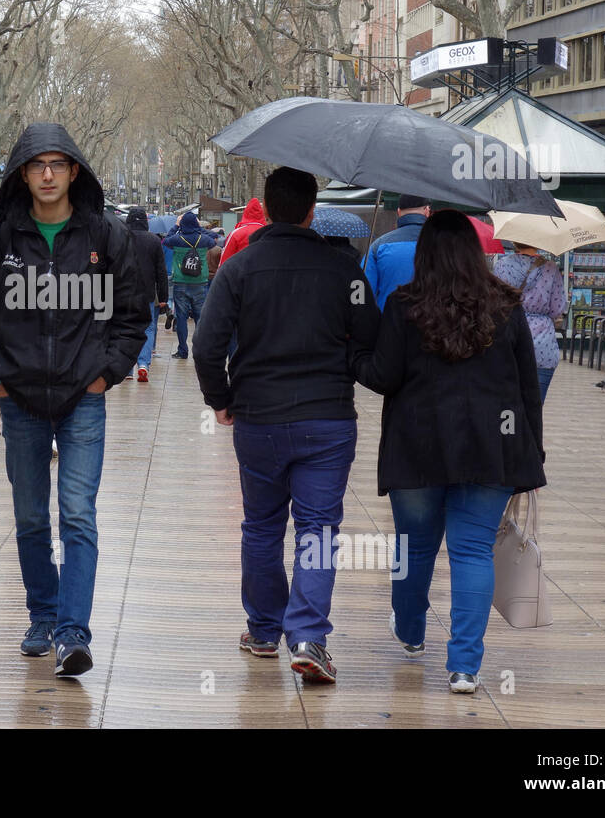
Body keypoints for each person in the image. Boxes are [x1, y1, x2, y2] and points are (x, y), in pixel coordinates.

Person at [0, 122, 146, 677]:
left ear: (73, 172)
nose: (47, 174)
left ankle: (72, 634)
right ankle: (43, 614)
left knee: (79, 517)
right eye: (37, 165)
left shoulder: (105, 236)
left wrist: (105, 374)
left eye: (57, 164)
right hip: (18, 401)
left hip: (83, 399)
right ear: (22, 173)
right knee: (31, 517)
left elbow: (133, 314)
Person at [194, 167, 380, 685]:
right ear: (311, 212)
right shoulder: (346, 273)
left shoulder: (239, 268)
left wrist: (221, 400)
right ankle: (309, 637)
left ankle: (262, 630)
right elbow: (371, 338)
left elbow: (206, 346)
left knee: (261, 526)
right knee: (318, 530)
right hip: (328, 420)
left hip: (258, 419)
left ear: (268, 210)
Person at [351, 210, 546, 695]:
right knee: (472, 551)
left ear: (426, 254)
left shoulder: (404, 305)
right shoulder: (506, 306)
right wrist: (532, 454)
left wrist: (353, 353)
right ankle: (464, 667)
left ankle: (412, 631)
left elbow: (382, 376)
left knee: (412, 548)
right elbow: (527, 389)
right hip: (492, 448)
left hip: (417, 447)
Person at [494, 242, 567, 401]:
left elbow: (494, 302)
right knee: (534, 408)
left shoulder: (501, 266)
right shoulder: (551, 268)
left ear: (514, 242)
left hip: (509, 339)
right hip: (542, 347)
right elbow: (557, 308)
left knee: (506, 407)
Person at [163, 211, 216, 359]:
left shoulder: (178, 239)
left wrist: (176, 226)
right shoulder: (204, 240)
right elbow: (214, 239)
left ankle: (182, 350)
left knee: (181, 317)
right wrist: (199, 228)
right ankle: (201, 350)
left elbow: (166, 240)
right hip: (200, 283)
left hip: (181, 282)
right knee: (200, 318)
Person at [363, 194, 430, 310]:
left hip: (388, 322)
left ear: (398, 212)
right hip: (433, 323)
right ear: (427, 211)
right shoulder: (443, 246)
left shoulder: (378, 246)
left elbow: (363, 292)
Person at [126, 208, 168, 382]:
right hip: (148, 293)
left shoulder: (121, 238)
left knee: (126, 328)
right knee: (148, 328)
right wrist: (163, 296)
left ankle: (127, 369)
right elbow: (161, 271)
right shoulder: (154, 241)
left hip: (125, 292)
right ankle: (143, 364)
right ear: (145, 221)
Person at [219, 198, 265, 265]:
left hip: (241, 272)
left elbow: (225, 260)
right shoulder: (268, 231)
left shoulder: (236, 233)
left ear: (245, 213)